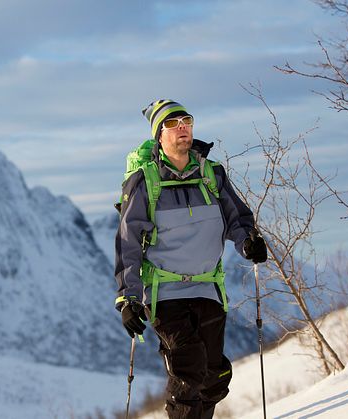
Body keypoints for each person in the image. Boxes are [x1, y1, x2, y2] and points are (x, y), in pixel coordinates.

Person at [114, 99, 268, 418]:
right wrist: (127, 298)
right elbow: (128, 242)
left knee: (214, 378)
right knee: (188, 372)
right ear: (159, 135)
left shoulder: (212, 175)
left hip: (208, 289)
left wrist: (249, 242)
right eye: (172, 124)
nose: (182, 127)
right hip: (164, 294)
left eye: (186, 120)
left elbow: (237, 220)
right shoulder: (144, 182)